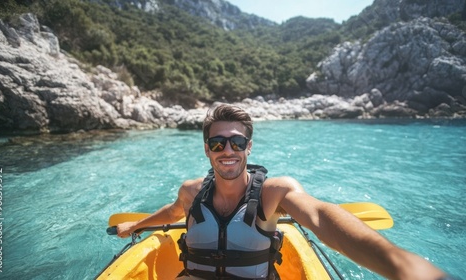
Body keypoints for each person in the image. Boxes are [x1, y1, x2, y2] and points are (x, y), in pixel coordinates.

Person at [116, 103, 447, 279]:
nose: (227, 149)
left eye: (237, 141)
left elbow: (320, 215)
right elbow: (173, 213)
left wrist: (402, 267)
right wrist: (138, 225)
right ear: (207, 149)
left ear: (249, 147)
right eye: (218, 142)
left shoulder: (274, 193)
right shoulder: (191, 192)